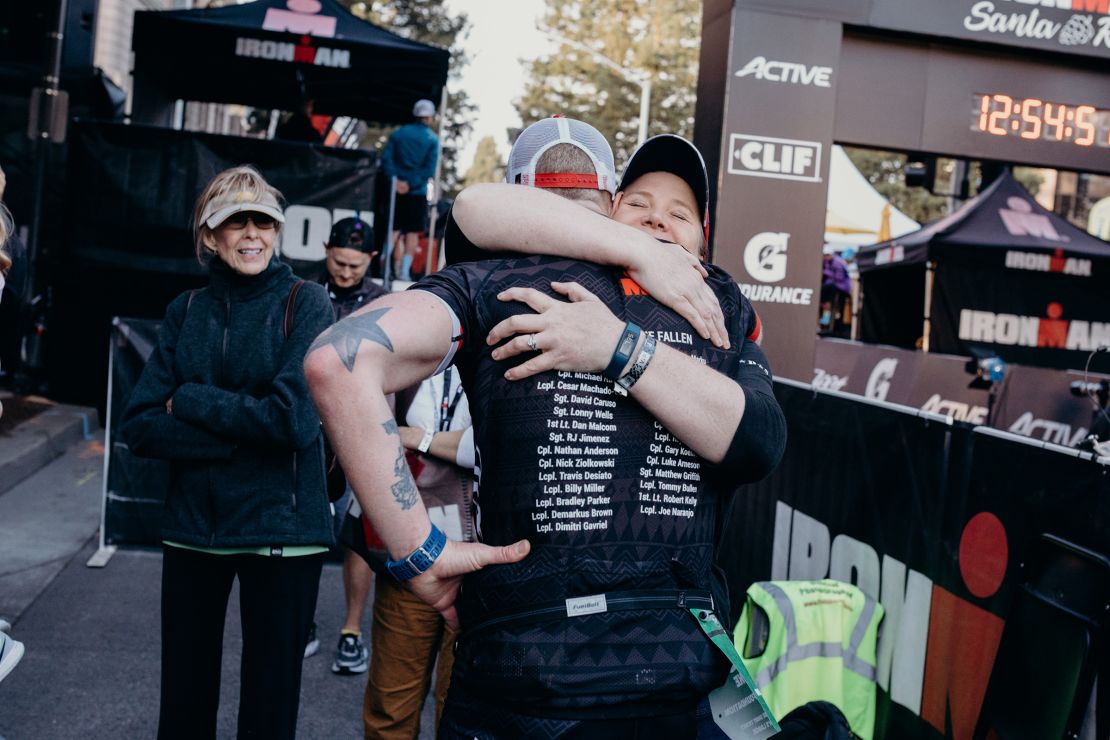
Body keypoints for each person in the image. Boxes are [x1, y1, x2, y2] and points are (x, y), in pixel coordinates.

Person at [306, 119, 786, 737]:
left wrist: (615, 345)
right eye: (638, 204)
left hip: (655, 679)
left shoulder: (721, 307)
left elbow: (760, 443)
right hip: (549, 678)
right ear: (610, 210)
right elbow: (474, 213)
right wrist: (419, 550)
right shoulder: (494, 282)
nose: (659, 220)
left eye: (679, 213)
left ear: (703, 239)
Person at [120, 166, 335, 739]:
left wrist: (189, 399)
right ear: (209, 237)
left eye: (263, 221)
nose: (251, 234)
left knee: (268, 713)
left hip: (284, 532)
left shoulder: (308, 302)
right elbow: (141, 426)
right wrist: (250, 428)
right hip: (196, 529)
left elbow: (292, 421)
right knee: (183, 710)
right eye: (234, 222)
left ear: (278, 230)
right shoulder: (185, 310)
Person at [359, 370, 474, 738]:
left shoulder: (503, 359)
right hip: (412, 546)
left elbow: (484, 447)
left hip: (483, 557)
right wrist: (442, 443)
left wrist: (416, 437)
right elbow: (373, 437)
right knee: (390, 704)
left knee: (459, 703)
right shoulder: (406, 360)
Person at [318, 216, 388, 675]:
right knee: (301, 533)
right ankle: (299, 623)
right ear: (326, 251)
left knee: (358, 540)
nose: (345, 273)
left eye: (354, 265)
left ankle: (350, 630)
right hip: (311, 434)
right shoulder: (304, 295)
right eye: (339, 263)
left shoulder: (387, 303)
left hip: (362, 434)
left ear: (372, 260)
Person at [381, 99, 439, 281]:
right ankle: (404, 272)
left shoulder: (398, 134)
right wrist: (411, 184)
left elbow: (386, 160)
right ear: (429, 117)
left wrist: (397, 181)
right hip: (417, 192)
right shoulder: (432, 139)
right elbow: (429, 169)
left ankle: (381, 265)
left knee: (393, 229)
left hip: (395, 191)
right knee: (412, 233)